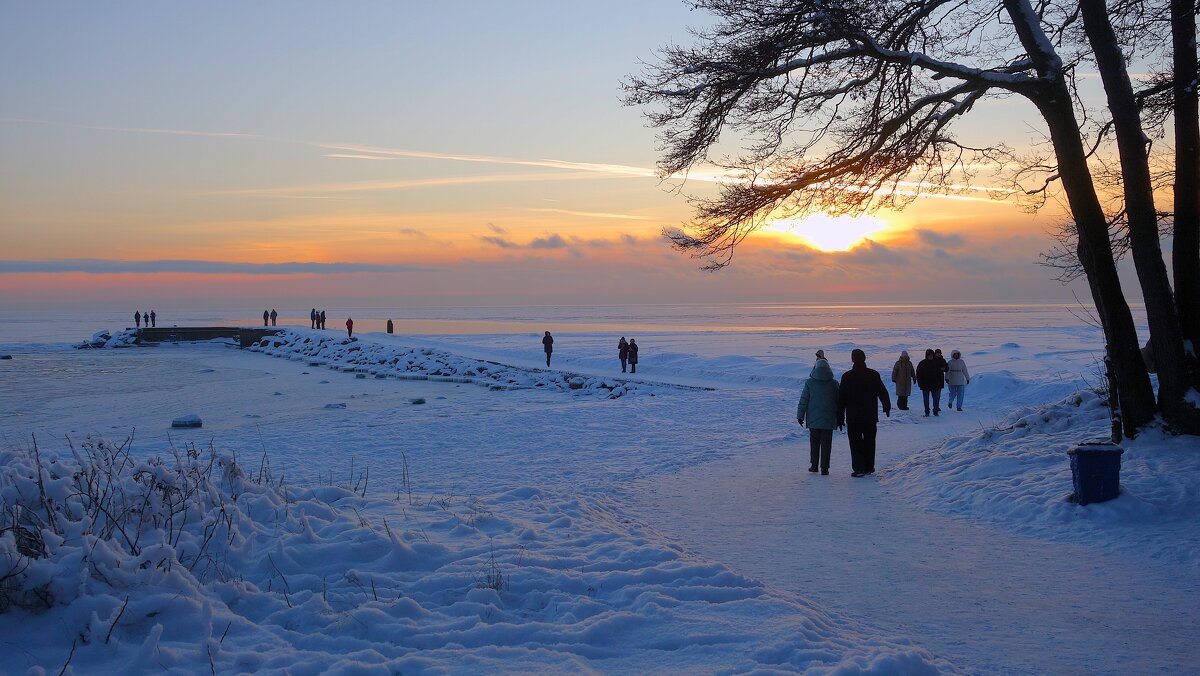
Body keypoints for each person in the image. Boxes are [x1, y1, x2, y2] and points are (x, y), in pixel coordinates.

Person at [836, 349, 891, 477]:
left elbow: (841, 399)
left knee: (855, 443)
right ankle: (869, 467)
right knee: (870, 442)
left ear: (852, 359)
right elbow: (882, 392)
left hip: (853, 417)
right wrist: (886, 405)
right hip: (870, 416)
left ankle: (858, 468)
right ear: (864, 358)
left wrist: (839, 417)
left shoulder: (847, 376)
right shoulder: (873, 374)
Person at [797, 357, 839, 475]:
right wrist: (840, 417)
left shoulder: (810, 383)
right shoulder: (834, 384)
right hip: (828, 419)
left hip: (813, 419)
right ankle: (825, 468)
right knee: (827, 444)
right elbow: (839, 402)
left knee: (814, 443)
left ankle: (814, 465)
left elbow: (804, 400)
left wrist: (800, 416)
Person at [916, 349, 945, 417]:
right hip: (925, 385)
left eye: (931, 355)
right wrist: (920, 384)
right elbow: (918, 374)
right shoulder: (922, 363)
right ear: (926, 355)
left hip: (935, 385)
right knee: (926, 400)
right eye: (929, 355)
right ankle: (927, 412)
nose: (930, 356)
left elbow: (940, 374)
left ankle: (935, 412)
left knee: (936, 399)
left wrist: (939, 383)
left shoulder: (936, 363)